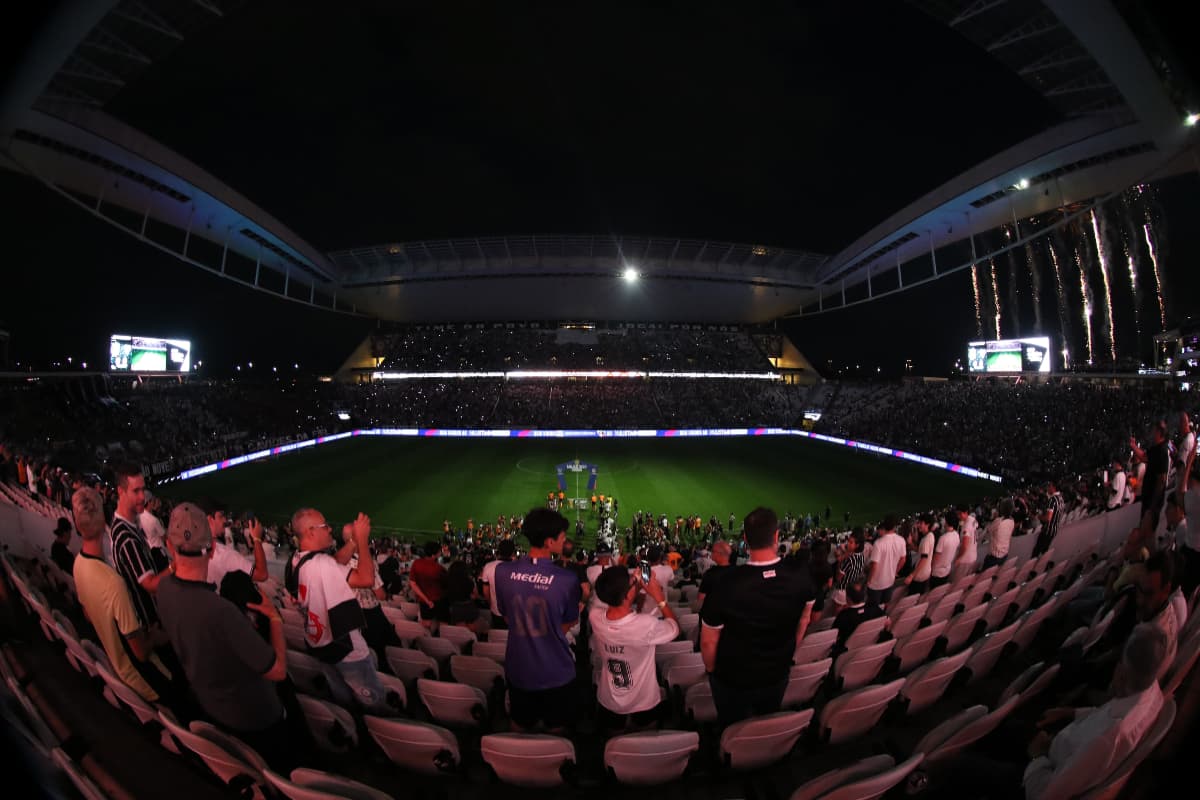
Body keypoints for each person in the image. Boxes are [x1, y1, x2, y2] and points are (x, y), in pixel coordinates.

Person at [157, 502, 305, 772]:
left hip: (212, 712)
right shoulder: (221, 611)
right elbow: (278, 670)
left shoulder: (163, 589)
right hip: (256, 720)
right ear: (212, 548)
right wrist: (273, 618)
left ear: (169, 546)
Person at [1023, 624, 1168, 799]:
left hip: (1042, 770)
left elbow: (1044, 795)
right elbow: (1103, 716)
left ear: (1120, 673)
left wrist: (1037, 756)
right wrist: (1070, 712)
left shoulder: (1106, 740)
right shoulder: (1152, 693)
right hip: (1060, 743)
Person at [700, 507, 816, 726]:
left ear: (745, 538)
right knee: (767, 721)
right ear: (776, 536)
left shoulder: (726, 584)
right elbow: (804, 620)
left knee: (731, 725)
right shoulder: (801, 576)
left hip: (733, 679)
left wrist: (712, 670)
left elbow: (708, 641)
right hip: (777, 672)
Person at [71, 488, 170, 705]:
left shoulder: (78, 565)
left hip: (119, 671)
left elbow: (89, 614)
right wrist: (156, 635)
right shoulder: (113, 584)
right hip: (146, 681)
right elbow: (142, 652)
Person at [287, 508, 389, 713]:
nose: (330, 529)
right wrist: (361, 541)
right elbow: (366, 579)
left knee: (342, 698)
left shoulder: (296, 560)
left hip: (319, 645)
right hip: (346, 649)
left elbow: (333, 564)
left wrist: (351, 542)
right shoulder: (323, 565)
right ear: (311, 532)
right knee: (373, 703)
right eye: (325, 526)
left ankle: (350, 722)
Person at [494, 507, 582, 733]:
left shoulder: (502, 572)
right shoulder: (567, 579)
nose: (565, 541)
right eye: (562, 538)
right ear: (549, 542)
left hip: (519, 668)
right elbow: (568, 623)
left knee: (520, 723)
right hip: (556, 671)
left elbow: (506, 616)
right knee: (558, 728)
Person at [590, 566, 679, 731]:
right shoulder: (646, 625)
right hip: (643, 700)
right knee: (644, 742)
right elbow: (674, 627)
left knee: (616, 741)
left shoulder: (594, 616)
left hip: (610, 698)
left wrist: (635, 586)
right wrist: (658, 596)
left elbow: (620, 602)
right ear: (627, 595)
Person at [107, 462, 171, 632]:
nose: (143, 497)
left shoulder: (128, 523)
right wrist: (177, 565)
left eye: (143, 489)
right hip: (151, 624)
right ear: (121, 492)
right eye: (136, 491)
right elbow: (150, 585)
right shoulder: (126, 538)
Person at [198, 499, 268, 591]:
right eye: (221, 516)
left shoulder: (192, 548)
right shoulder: (225, 554)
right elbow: (262, 575)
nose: (225, 520)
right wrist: (257, 539)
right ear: (210, 519)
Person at [865, 514, 906, 607]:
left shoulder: (879, 543)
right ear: (895, 526)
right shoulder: (901, 540)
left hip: (876, 584)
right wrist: (895, 572)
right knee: (884, 606)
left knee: (873, 609)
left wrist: (869, 580)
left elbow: (874, 565)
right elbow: (903, 560)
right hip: (889, 581)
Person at [409, 540, 448, 633]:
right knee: (443, 626)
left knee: (427, 626)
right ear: (434, 554)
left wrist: (426, 600)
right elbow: (446, 585)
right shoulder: (438, 568)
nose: (440, 553)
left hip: (424, 602)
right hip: (439, 601)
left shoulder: (416, 563)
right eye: (439, 551)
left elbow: (413, 584)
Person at [833, 582, 884, 647]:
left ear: (847, 598)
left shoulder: (843, 616)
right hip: (870, 643)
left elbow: (834, 635)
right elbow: (887, 621)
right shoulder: (874, 607)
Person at [481, 538, 517, 626]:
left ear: (498, 551)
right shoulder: (519, 568)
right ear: (513, 552)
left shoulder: (488, 567)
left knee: (497, 635)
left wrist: (491, 605)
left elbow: (486, 592)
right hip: (514, 612)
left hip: (496, 611)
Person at [930, 511, 961, 589]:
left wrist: (929, 569)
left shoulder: (943, 538)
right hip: (946, 570)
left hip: (937, 573)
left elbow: (936, 558)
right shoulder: (956, 535)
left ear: (947, 522)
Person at [697, 540, 732, 609]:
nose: (711, 553)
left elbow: (701, 598)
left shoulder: (710, 574)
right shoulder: (737, 571)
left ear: (719, 553)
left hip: (715, 612)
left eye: (713, 551)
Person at [982, 499, 1016, 570]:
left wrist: (995, 518)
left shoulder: (998, 521)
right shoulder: (1012, 521)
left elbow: (989, 530)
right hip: (1004, 554)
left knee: (985, 575)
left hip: (994, 557)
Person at [905, 517, 934, 595]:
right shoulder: (930, 535)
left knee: (912, 597)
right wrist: (911, 544)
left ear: (927, 524)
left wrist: (911, 575)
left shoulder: (926, 539)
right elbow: (921, 551)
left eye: (921, 523)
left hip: (920, 575)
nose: (918, 525)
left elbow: (924, 558)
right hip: (925, 573)